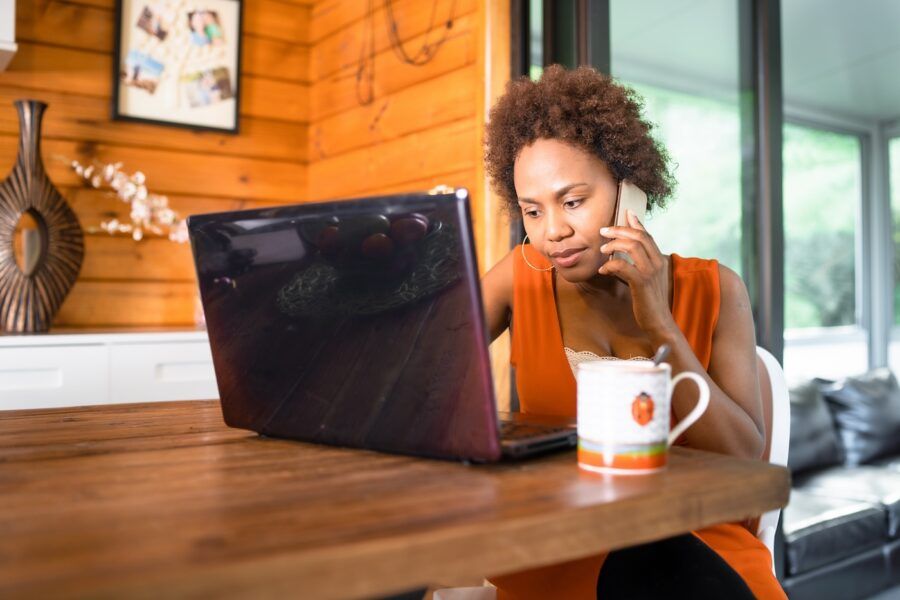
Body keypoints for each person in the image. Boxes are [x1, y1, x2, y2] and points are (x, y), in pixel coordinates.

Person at [480, 65, 786, 599]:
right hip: (561, 543)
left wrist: (659, 322)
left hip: (694, 540)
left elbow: (742, 461)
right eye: (533, 210)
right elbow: (421, 364)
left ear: (629, 190)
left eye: (572, 201)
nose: (552, 231)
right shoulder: (519, 276)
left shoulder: (717, 289)